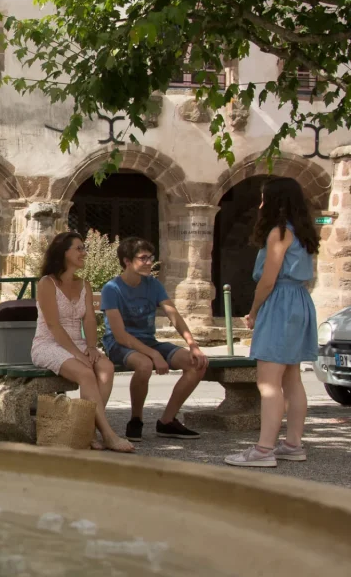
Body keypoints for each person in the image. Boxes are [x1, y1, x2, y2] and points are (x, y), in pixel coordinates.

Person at [225, 177, 319, 468]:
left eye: (265, 198)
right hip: (300, 300)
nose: (261, 203)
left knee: (268, 381)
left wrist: (253, 311)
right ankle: (292, 444)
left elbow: (268, 279)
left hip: (280, 302)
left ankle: (264, 450)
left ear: (276, 202)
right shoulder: (304, 232)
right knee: (292, 378)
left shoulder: (279, 233)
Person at [31, 231, 134, 452]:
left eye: (84, 248)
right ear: (63, 252)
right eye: (79, 248)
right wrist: (77, 355)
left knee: (105, 367)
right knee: (86, 373)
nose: (84, 253)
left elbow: (89, 319)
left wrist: (90, 347)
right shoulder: (46, 283)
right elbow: (53, 326)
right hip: (48, 344)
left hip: (77, 344)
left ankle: (87, 431)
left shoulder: (84, 284)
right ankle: (108, 434)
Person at [100, 237, 209, 442]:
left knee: (198, 364)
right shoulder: (112, 288)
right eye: (143, 258)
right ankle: (136, 420)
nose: (150, 262)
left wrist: (193, 345)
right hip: (119, 344)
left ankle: (167, 421)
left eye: (151, 257)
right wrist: (153, 354)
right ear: (127, 261)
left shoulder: (153, 284)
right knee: (144, 365)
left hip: (149, 342)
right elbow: (120, 335)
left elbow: (173, 314)